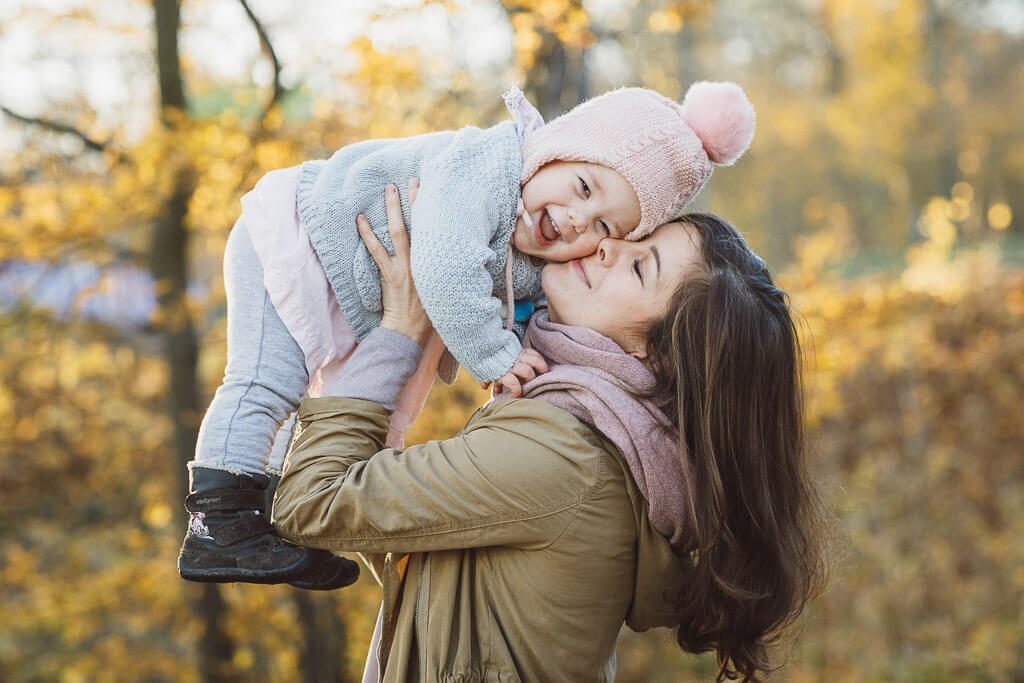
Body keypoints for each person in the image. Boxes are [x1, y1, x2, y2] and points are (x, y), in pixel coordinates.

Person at [177, 81, 757, 590]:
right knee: (264, 383)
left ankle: (264, 527)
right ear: (553, 150)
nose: (582, 221)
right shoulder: (488, 166)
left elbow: (520, 312)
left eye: (606, 224)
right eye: (583, 186)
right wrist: (495, 356)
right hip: (296, 234)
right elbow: (446, 269)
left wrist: (520, 359)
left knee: (290, 397)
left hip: (334, 277)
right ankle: (217, 522)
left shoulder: (536, 245)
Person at [270, 184, 828, 681]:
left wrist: (396, 334)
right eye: (632, 239)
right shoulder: (591, 435)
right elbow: (416, 566)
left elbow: (311, 503)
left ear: (655, 355)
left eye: (640, 267)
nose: (608, 245)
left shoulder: (568, 457)